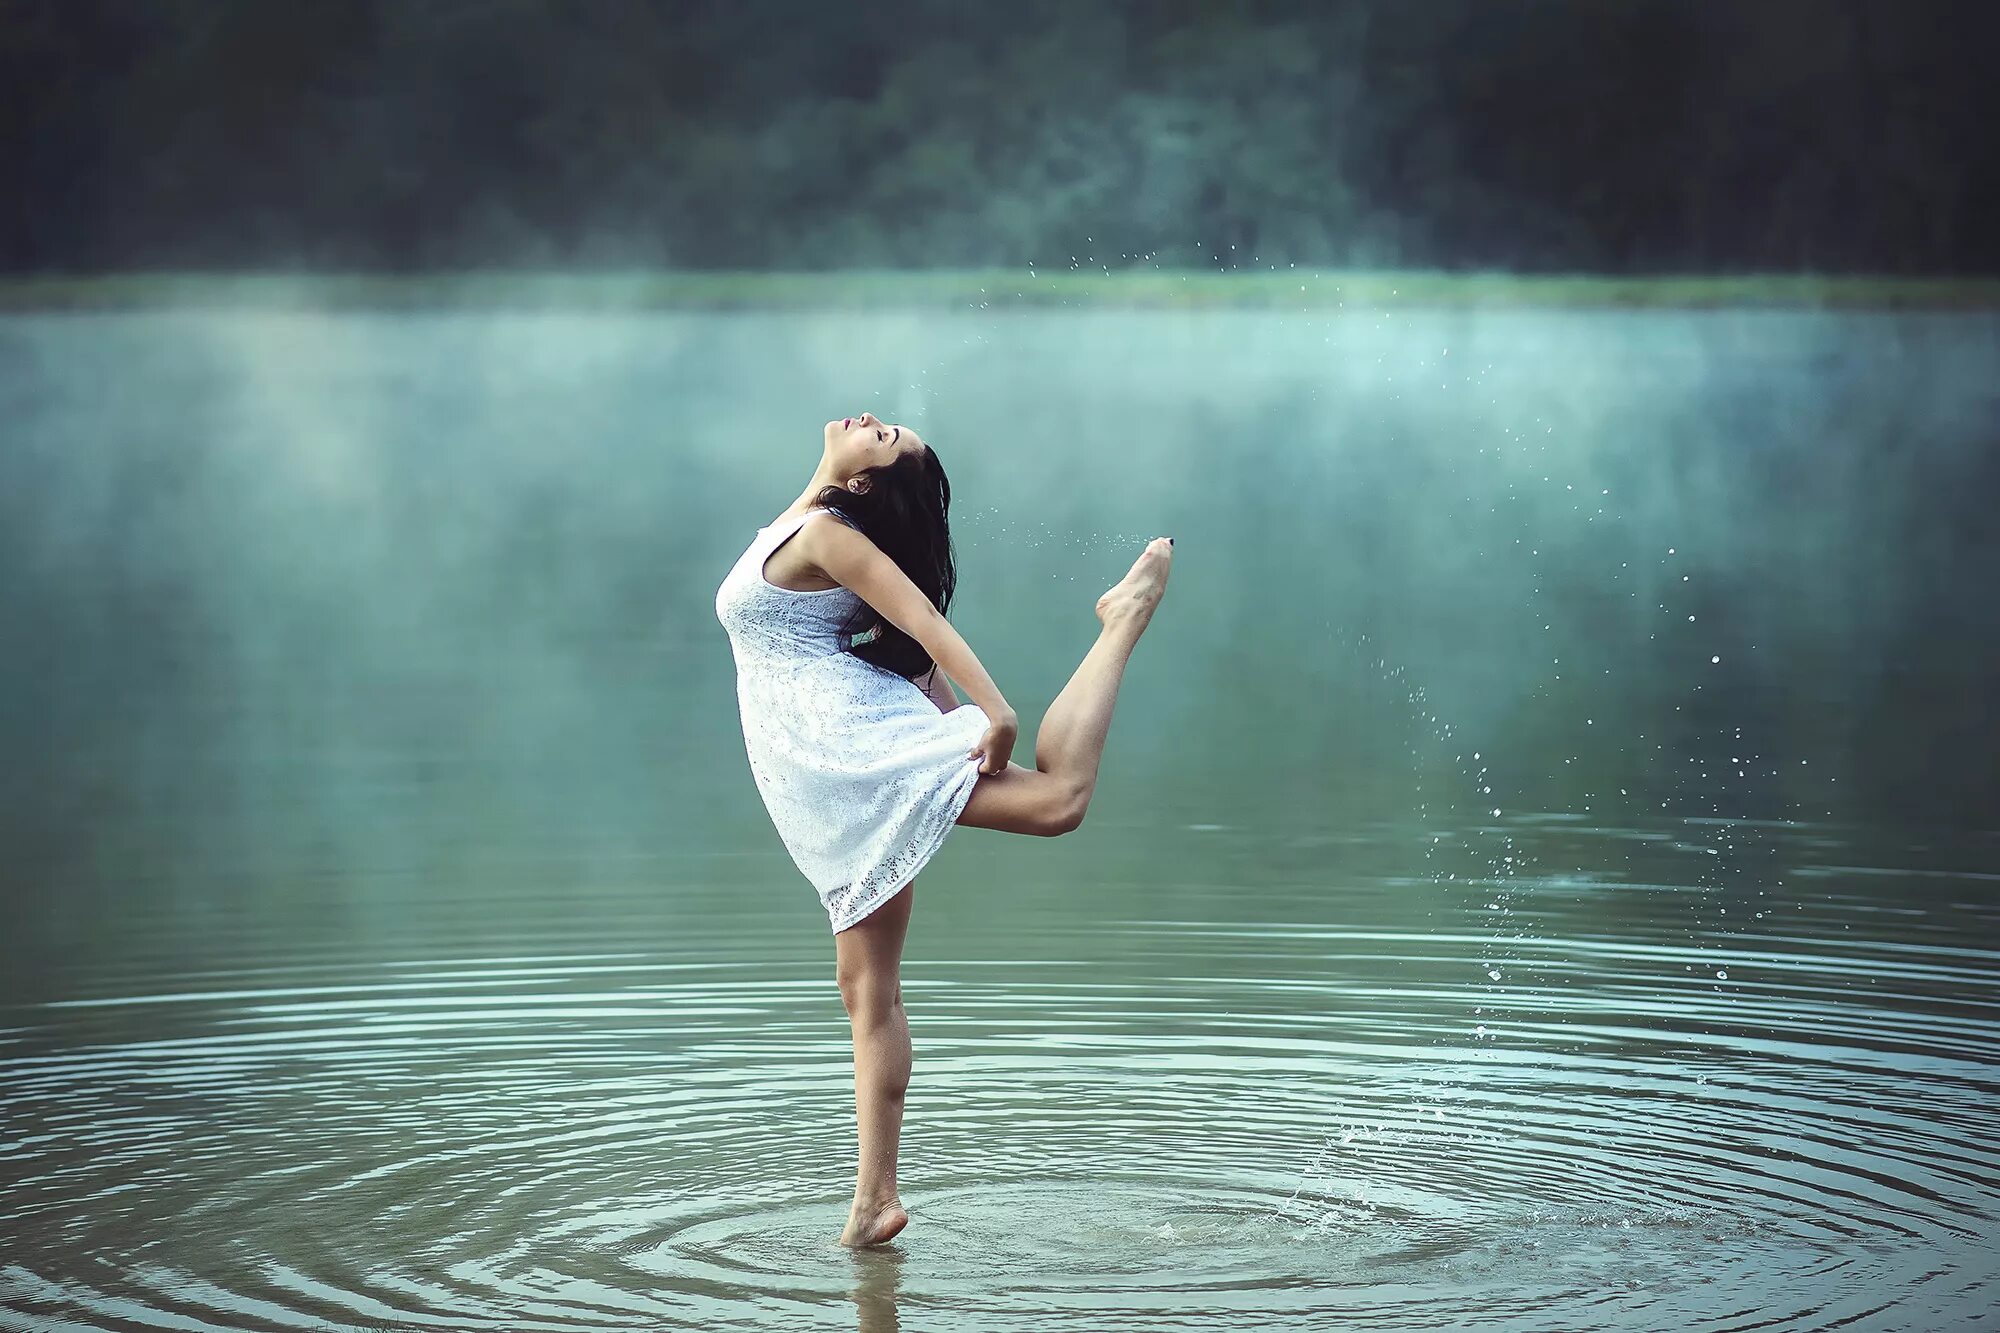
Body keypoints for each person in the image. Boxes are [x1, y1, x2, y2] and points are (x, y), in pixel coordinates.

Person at [714, 411, 1173, 1246]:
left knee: (1057, 800)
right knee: (865, 991)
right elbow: (905, 650)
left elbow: (923, 620)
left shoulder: (827, 535)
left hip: (852, 748)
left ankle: (1120, 623)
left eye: (886, 439)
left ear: (860, 483)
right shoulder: (794, 527)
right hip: (832, 766)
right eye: (887, 428)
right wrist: (953, 721)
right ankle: (873, 1201)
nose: (875, 423)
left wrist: (991, 713)